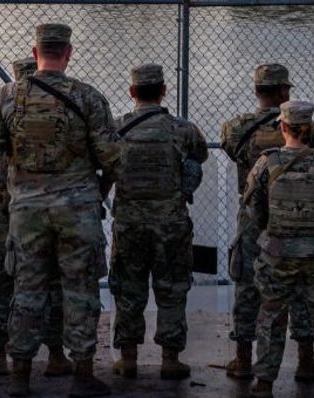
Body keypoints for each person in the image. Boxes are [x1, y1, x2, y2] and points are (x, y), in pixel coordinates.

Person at [0, 23, 118, 397]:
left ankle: (20, 374)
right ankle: (81, 374)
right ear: (68, 53)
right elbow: (113, 157)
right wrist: (96, 190)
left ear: (35, 52)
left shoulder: (6, 97)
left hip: (27, 213)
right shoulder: (89, 98)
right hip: (78, 211)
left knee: (26, 290)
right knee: (80, 291)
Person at [220, 63, 314, 381]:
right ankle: (306, 361)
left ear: (257, 91)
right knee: (299, 287)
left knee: (247, 286)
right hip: (296, 218)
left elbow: (230, 150)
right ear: (284, 92)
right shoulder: (308, 130)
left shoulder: (235, 128)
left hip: (254, 218)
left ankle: (242, 359)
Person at [0, 57, 73, 378]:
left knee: (1, 287)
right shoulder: (64, 107)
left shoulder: (0, 107)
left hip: (5, 217)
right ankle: (55, 355)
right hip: (48, 214)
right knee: (53, 286)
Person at [244, 100, 314, 398]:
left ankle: (264, 381)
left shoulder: (266, 163)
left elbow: (255, 213)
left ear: (282, 127)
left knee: (271, 316)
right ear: (311, 129)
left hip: (277, 254)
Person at [107, 63, 208, 381]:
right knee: (172, 288)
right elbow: (199, 157)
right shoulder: (182, 129)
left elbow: (106, 165)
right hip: (171, 224)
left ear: (132, 92)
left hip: (129, 224)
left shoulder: (117, 129)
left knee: (128, 289)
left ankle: (128, 359)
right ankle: (169, 360)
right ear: (163, 90)